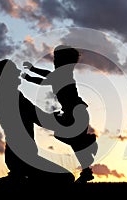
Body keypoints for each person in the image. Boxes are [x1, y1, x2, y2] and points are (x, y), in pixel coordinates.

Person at [0, 59, 75, 184]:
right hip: (23, 159)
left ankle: (14, 179)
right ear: (7, 76)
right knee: (66, 178)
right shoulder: (13, 97)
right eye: (14, 70)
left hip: (18, 158)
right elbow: (39, 118)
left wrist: (57, 117)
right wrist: (63, 117)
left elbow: (37, 116)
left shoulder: (8, 96)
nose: (18, 71)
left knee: (58, 178)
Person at [22, 45, 98, 183]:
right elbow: (48, 75)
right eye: (54, 59)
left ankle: (89, 143)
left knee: (68, 137)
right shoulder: (61, 74)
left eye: (57, 60)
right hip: (77, 112)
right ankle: (87, 170)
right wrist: (32, 71)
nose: (54, 62)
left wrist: (30, 76)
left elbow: (45, 80)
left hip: (75, 113)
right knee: (76, 144)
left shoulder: (63, 74)